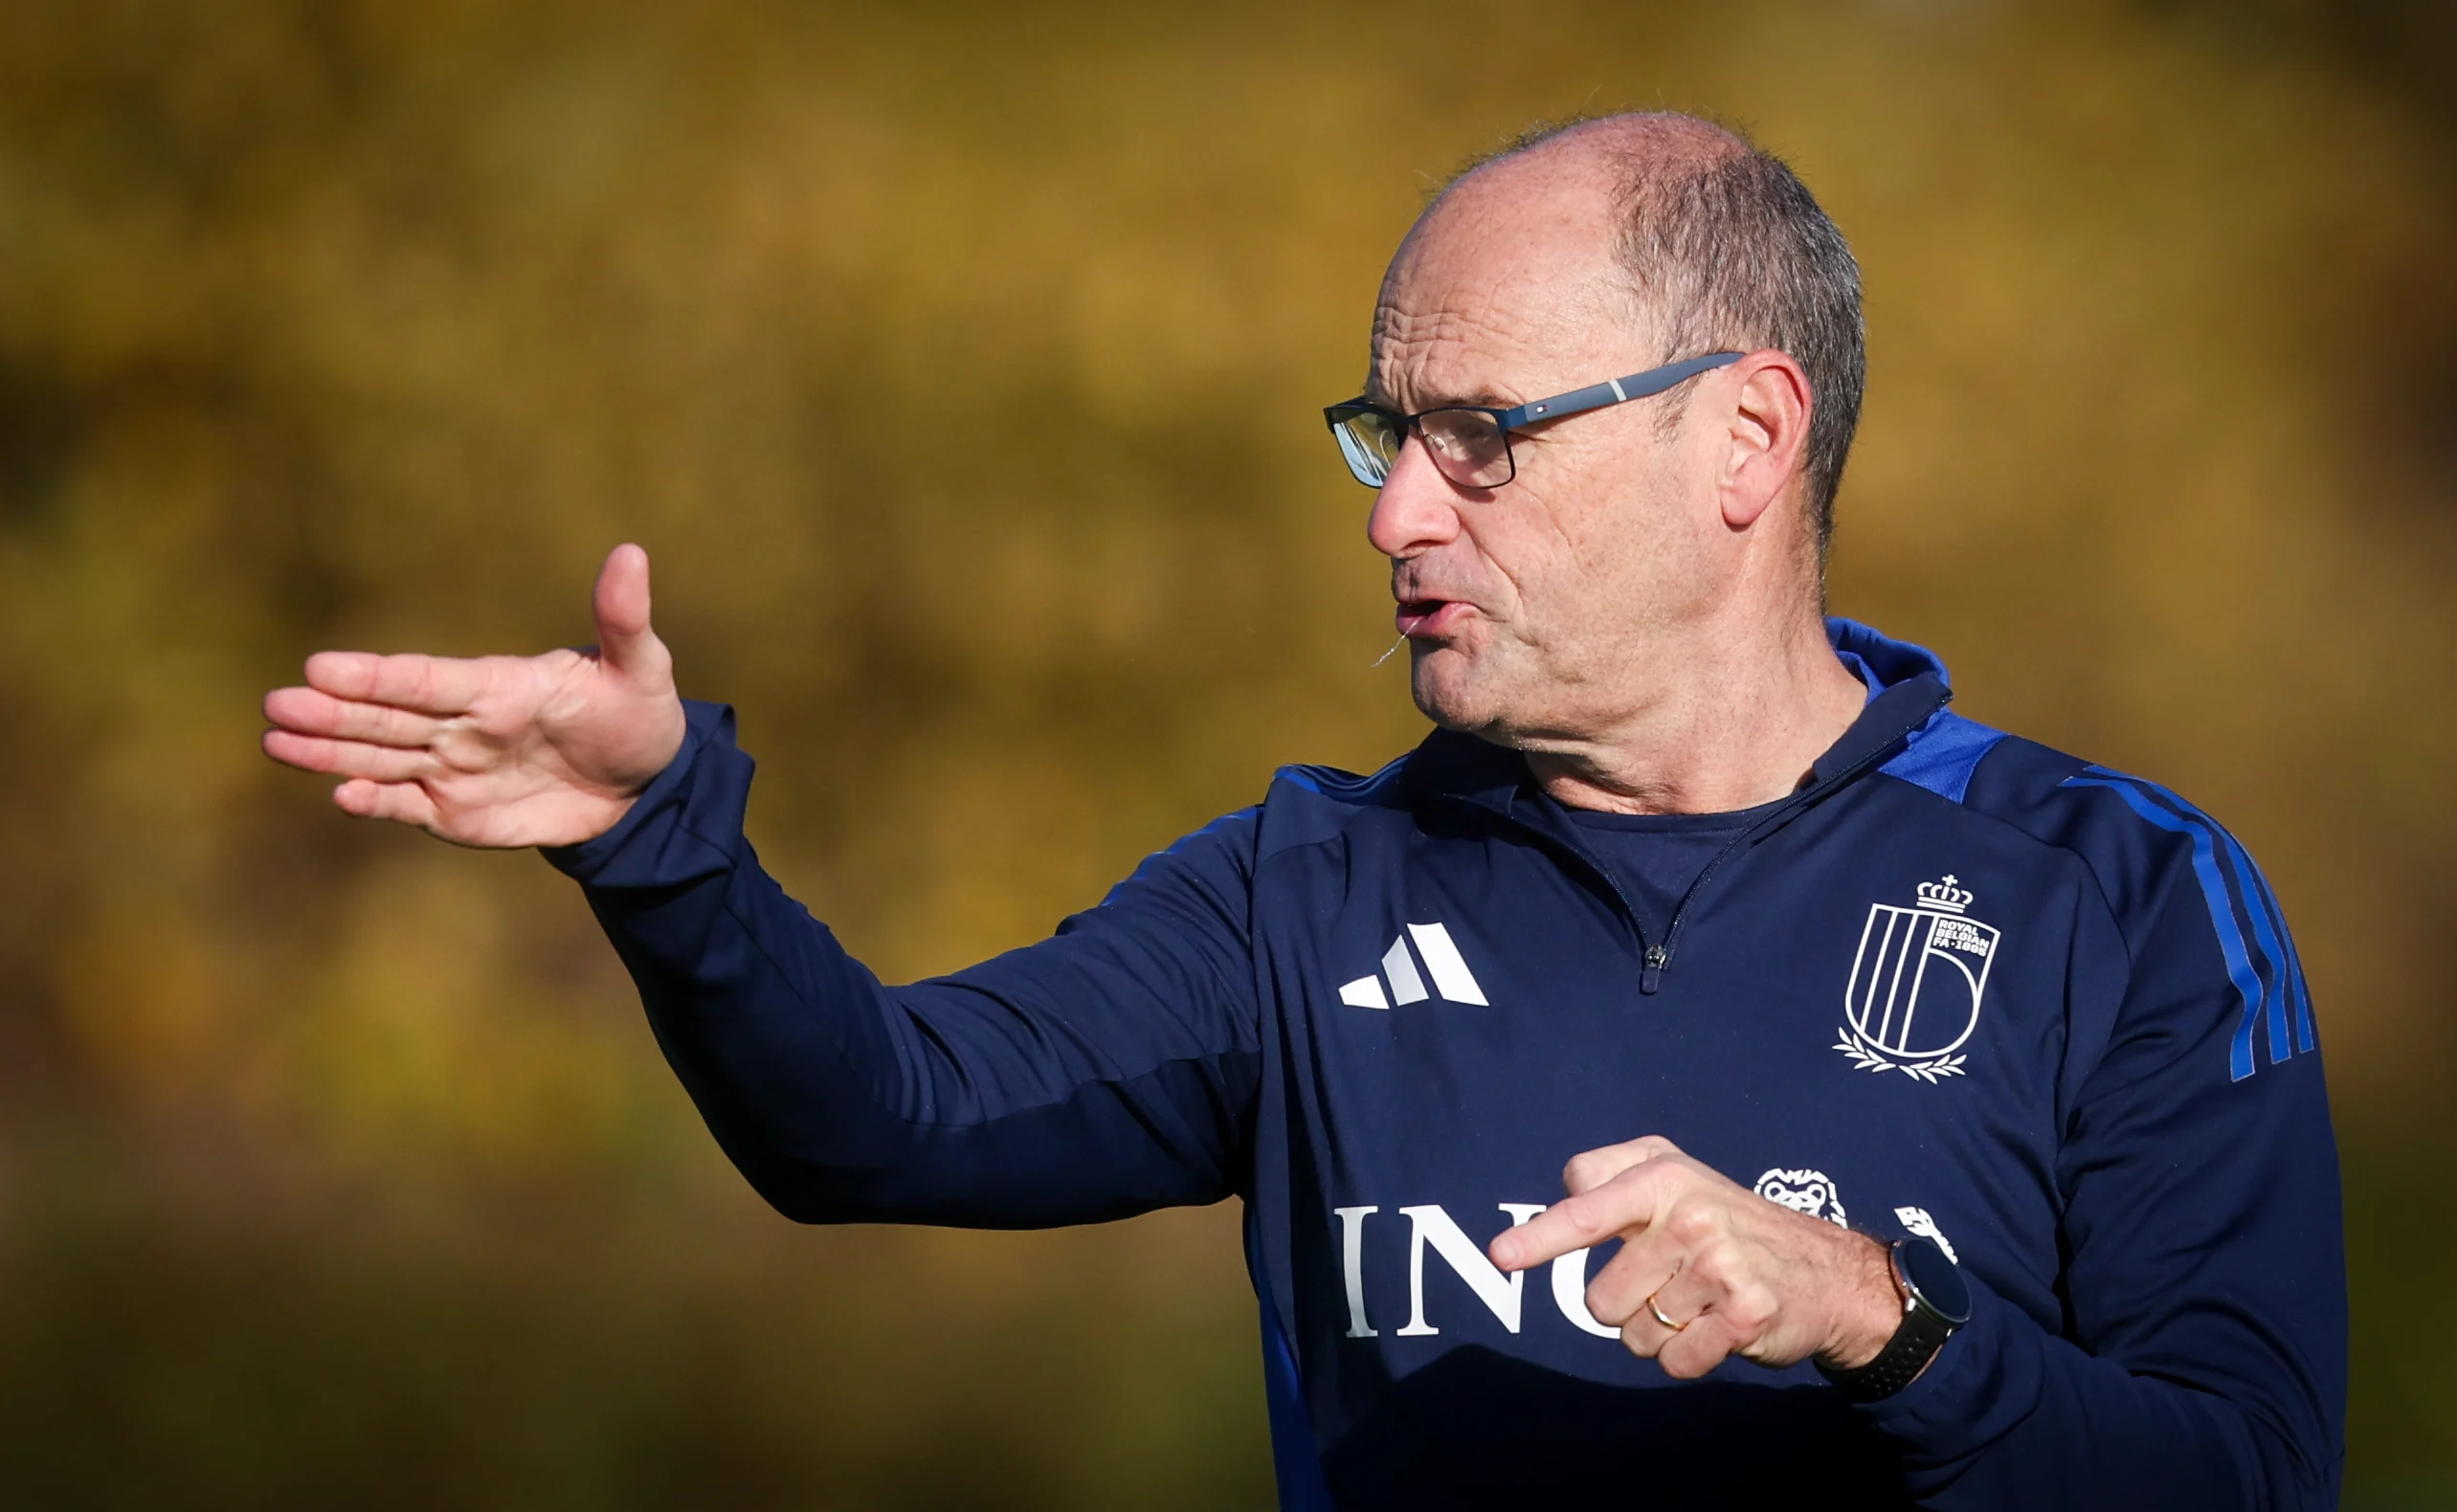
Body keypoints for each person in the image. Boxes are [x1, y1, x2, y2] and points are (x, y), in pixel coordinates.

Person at [260, 114, 2346, 1508]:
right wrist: (660, 848)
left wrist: (1880, 1323)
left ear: (1742, 437)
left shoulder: (2121, 897)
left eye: (1480, 434)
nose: (1395, 511)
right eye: (1383, 431)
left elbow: (2245, 1476)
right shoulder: (1305, 889)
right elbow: (874, 1118)